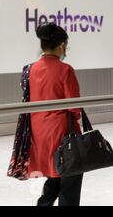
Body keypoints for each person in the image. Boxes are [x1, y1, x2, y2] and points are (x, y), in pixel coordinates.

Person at [28, 23, 83, 206]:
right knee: (70, 178)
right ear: (61, 46)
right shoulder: (65, 70)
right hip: (62, 134)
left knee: (54, 176)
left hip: (40, 132)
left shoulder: (31, 69)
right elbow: (74, 107)